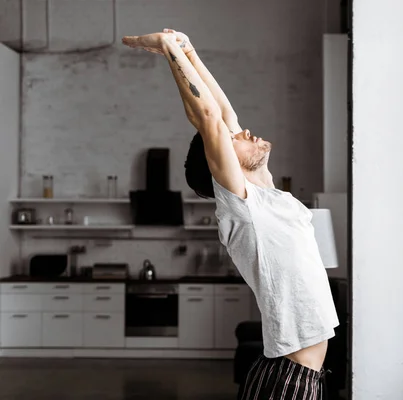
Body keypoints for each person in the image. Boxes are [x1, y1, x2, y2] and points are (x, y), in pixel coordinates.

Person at [122, 30, 339, 399]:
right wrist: (168, 48)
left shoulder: (269, 194)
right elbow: (208, 115)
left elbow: (224, 113)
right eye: (231, 137)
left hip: (301, 374)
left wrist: (190, 50)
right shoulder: (241, 204)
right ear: (219, 161)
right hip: (289, 376)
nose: (244, 131)